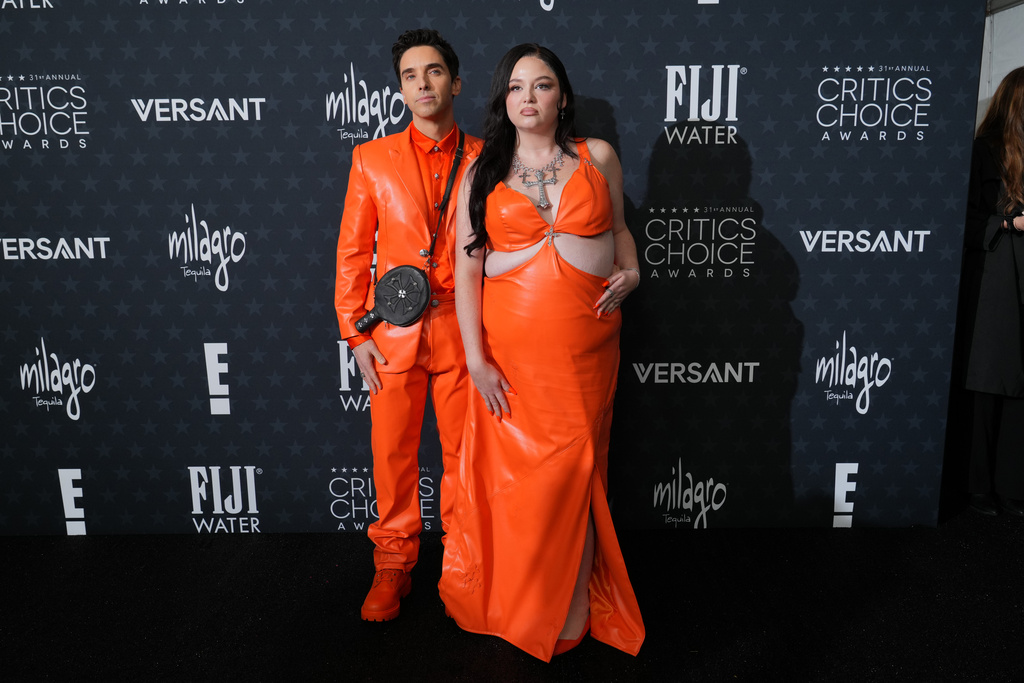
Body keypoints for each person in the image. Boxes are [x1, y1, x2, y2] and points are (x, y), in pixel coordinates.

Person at [438, 44, 645, 661]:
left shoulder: (597, 157)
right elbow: (466, 269)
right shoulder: (481, 169)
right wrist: (476, 361)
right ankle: (525, 599)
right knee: (523, 483)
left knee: (578, 470)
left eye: (543, 85)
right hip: (511, 355)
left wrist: (632, 272)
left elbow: (618, 233)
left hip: (586, 348)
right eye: (517, 87)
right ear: (503, 99)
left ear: (561, 96)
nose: (529, 97)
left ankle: (574, 606)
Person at [334, 28, 483, 621]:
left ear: (456, 81)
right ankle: (393, 564)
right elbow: (352, 251)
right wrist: (355, 332)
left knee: (464, 458)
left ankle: (461, 564)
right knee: (392, 456)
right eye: (410, 77)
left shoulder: (488, 156)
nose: (423, 85)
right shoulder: (370, 158)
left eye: (434, 73)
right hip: (392, 334)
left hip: (465, 329)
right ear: (400, 90)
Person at [958, 66, 1024, 518]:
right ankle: (978, 490)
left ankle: (1012, 488)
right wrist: (1007, 221)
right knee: (988, 385)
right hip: (995, 282)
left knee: (1020, 386)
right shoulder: (983, 152)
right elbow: (961, 220)